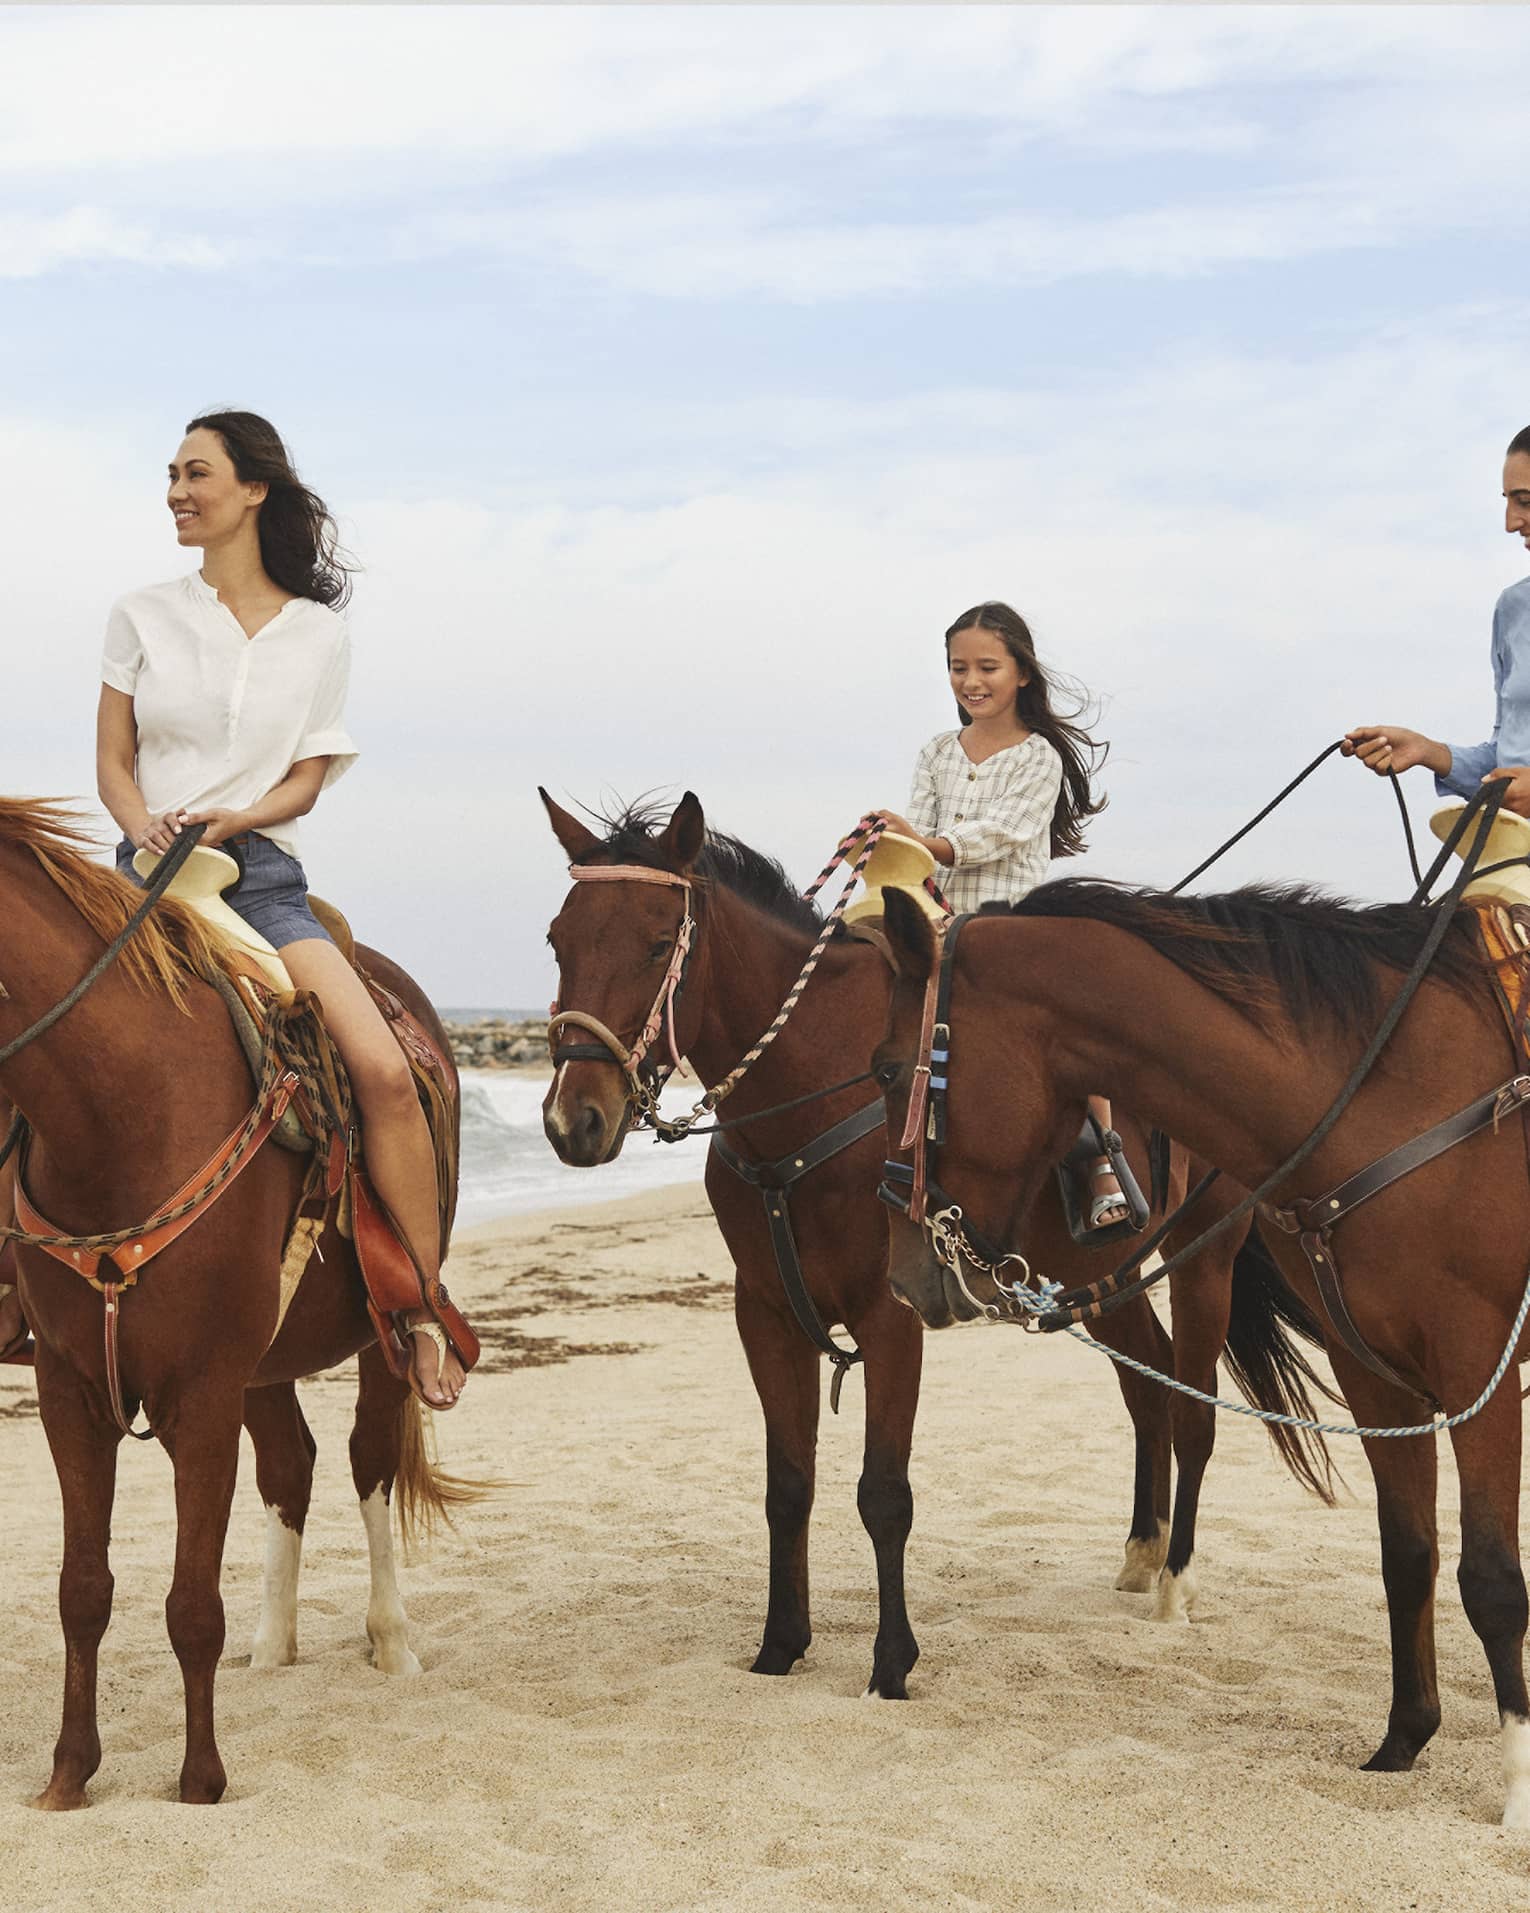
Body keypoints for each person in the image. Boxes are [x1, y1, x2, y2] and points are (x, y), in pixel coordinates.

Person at [0, 412, 465, 1406]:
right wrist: (149, 834)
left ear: (254, 490)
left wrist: (233, 819)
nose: (175, 488)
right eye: (169, 473)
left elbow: (306, 778)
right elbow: (113, 763)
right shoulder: (139, 614)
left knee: (384, 1071)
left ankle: (419, 1306)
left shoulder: (318, 633)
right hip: (141, 880)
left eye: (194, 472)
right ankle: (17, 1289)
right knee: (35, 1046)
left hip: (261, 877)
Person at [874, 600, 1129, 1228]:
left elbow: (1005, 832)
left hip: (1010, 924)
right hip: (936, 917)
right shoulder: (937, 751)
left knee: (1074, 1018)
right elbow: (922, 826)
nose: (971, 681)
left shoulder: (1037, 755)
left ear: (1022, 675)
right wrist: (893, 844)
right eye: (958, 668)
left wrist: (924, 842)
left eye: (987, 666)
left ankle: (1099, 1159)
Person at [1345, 426, 1530, 815]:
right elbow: (1506, 762)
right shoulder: (1513, 609)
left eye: (1525, 501)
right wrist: (1429, 752)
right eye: (1509, 501)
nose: (1511, 522)